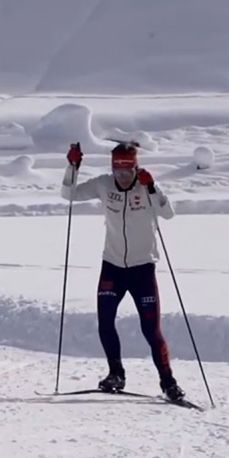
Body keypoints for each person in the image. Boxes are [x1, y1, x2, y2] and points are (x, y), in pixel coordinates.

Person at [61, 141, 186, 403]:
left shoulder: (146, 185)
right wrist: (73, 166)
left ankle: (168, 382)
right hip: (112, 266)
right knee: (105, 322)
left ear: (135, 167)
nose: (123, 177)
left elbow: (168, 213)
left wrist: (152, 187)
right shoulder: (103, 184)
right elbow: (69, 194)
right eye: (118, 172)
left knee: (151, 330)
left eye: (128, 172)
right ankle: (116, 374)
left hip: (142, 269)